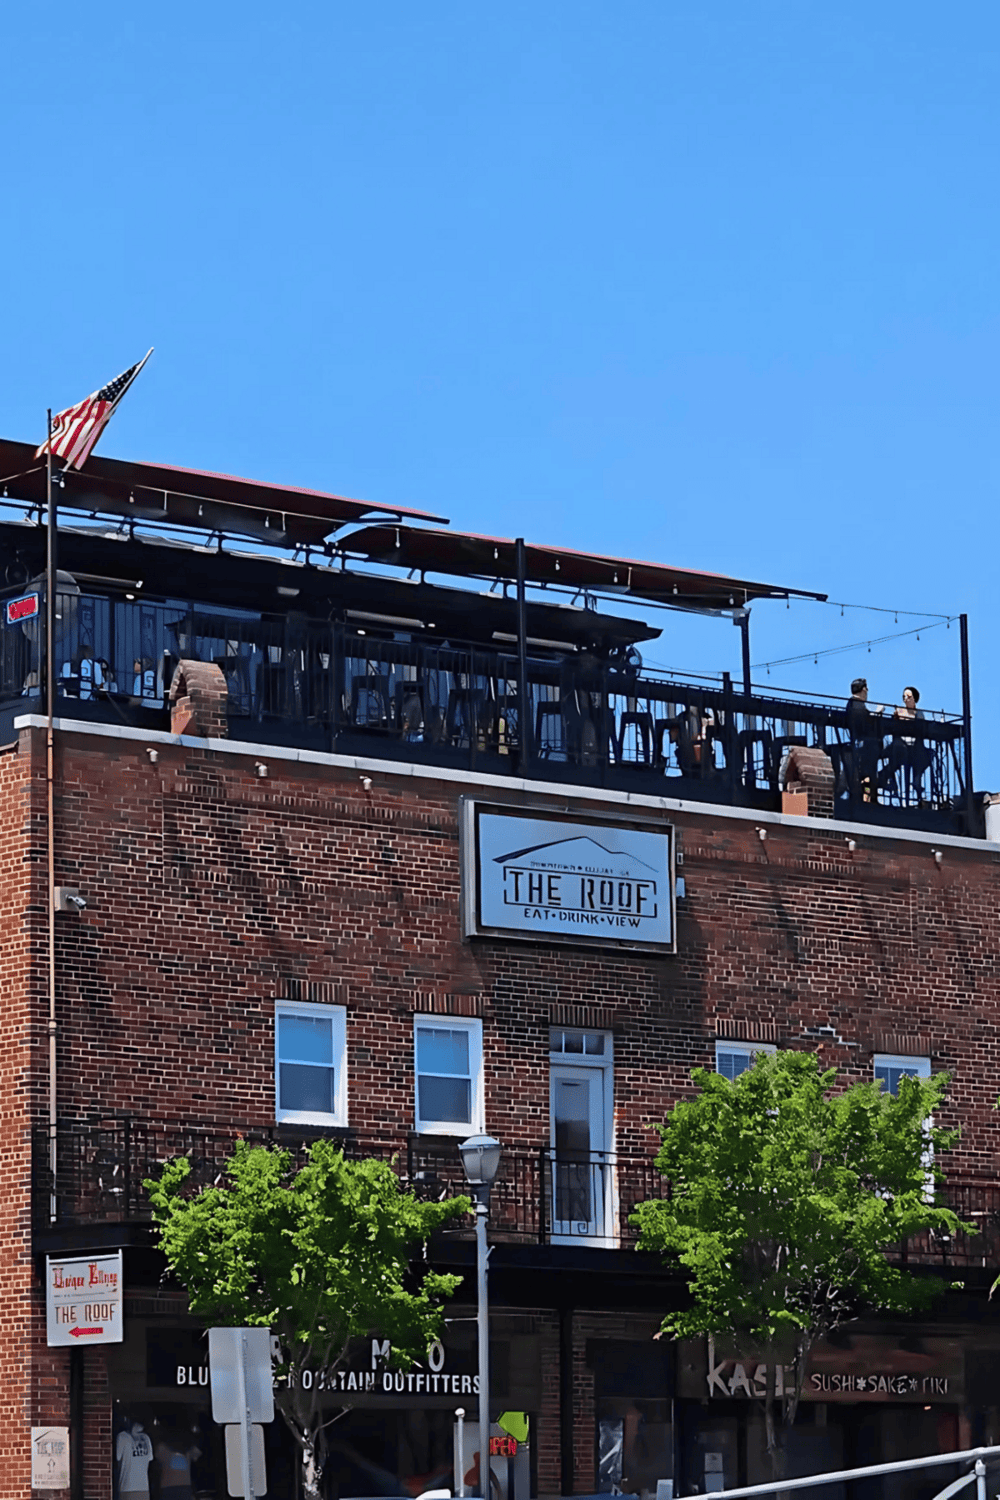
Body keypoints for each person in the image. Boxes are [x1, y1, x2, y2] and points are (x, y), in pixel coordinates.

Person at [844, 677, 884, 800]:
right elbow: (867, 722)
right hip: (866, 747)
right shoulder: (857, 705)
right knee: (867, 776)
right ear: (863, 690)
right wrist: (878, 713)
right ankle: (868, 797)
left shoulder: (852, 704)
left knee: (866, 775)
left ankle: (869, 795)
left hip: (861, 745)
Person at [117, 1418, 153, 1500]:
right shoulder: (146, 1438)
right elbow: (150, 1459)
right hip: (143, 1488)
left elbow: (118, 1459)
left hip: (127, 1487)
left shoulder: (122, 1437)